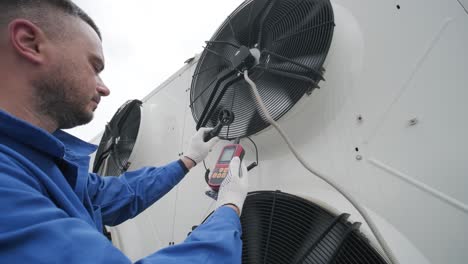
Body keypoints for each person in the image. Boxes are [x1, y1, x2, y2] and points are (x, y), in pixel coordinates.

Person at [0, 1, 249, 263]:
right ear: (29, 42)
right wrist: (228, 209)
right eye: (94, 66)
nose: (104, 88)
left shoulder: (46, 162)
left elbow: (116, 195)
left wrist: (188, 160)